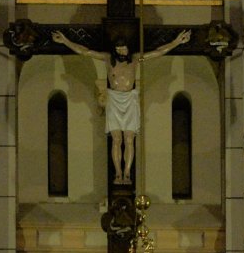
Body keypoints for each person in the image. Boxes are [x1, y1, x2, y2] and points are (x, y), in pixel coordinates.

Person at [51, 27, 191, 184]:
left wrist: (176, 42)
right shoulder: (107, 58)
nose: (121, 51)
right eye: (118, 48)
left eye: (123, 48)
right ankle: (118, 173)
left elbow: (157, 52)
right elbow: (86, 51)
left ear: (128, 48)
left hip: (130, 99)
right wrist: (65, 41)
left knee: (129, 139)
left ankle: (127, 173)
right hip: (114, 99)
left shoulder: (137, 59)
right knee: (117, 139)